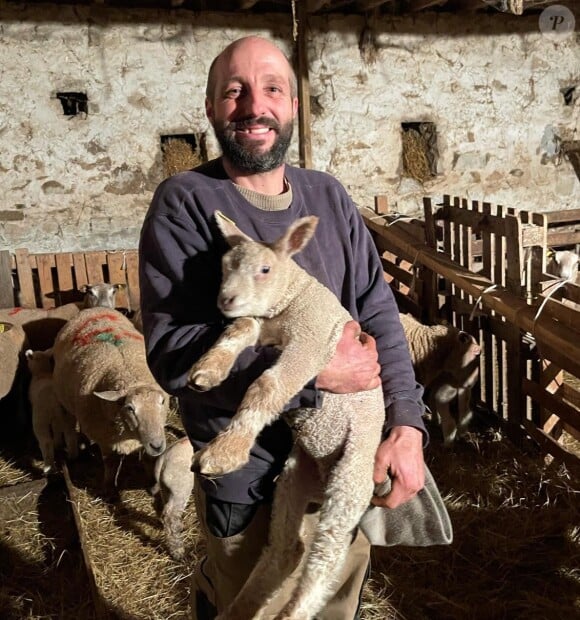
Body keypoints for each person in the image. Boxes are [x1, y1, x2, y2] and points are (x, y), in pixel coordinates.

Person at [139, 35, 427, 620]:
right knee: (251, 604)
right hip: (249, 478)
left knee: (329, 602)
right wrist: (315, 374)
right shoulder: (187, 202)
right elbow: (171, 352)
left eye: (272, 89)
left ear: (293, 105)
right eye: (235, 91)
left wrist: (407, 426)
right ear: (212, 107)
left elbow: (378, 315)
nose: (254, 106)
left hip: (342, 457)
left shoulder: (328, 197)